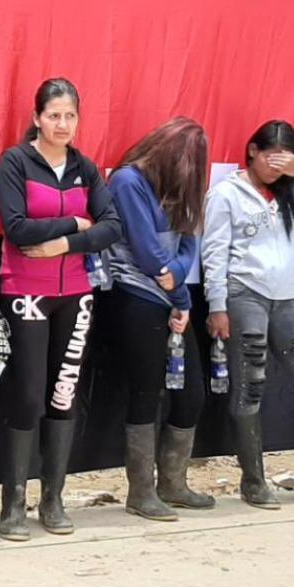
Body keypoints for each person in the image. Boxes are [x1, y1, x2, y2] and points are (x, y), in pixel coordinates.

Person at [0, 78, 121, 540]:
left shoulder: (86, 168)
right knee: (29, 395)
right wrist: (74, 222)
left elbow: (111, 227)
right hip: (26, 290)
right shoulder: (15, 161)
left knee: (63, 394)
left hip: (77, 294)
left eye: (70, 116)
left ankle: (53, 500)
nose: (62, 124)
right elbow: (15, 227)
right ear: (37, 118)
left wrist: (64, 243)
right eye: (54, 115)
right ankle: (13, 507)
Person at [204, 120, 294, 507]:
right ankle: (253, 481)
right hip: (244, 295)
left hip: (287, 301)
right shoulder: (226, 194)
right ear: (252, 150)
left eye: (284, 158)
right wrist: (217, 305)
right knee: (250, 387)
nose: (275, 166)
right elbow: (214, 253)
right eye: (271, 156)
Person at [103, 117, 213, 521]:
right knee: (146, 392)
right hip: (136, 295)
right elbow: (148, 256)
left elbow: (189, 246)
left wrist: (178, 287)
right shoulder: (128, 182)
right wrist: (177, 292)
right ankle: (141, 491)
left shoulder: (182, 188)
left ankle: (174, 482)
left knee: (191, 393)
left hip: (173, 295)